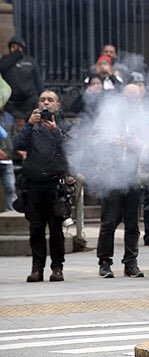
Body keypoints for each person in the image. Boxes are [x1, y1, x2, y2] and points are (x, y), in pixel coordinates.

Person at [13, 91, 72, 282]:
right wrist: (29, 124)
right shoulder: (32, 127)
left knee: (56, 230)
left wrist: (55, 130)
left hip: (55, 186)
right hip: (33, 187)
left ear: (58, 106)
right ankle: (37, 268)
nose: (46, 103)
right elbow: (17, 145)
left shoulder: (64, 126)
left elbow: (71, 149)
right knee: (36, 229)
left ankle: (57, 268)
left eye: (50, 100)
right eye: (42, 100)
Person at [96, 84, 145, 279]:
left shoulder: (143, 119)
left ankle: (130, 262)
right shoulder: (110, 117)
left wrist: (138, 144)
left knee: (132, 223)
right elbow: (95, 138)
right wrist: (109, 140)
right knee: (108, 222)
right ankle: (105, 261)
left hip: (134, 176)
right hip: (112, 175)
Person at [0, 36, 43, 117]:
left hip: (29, 100)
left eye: (19, 47)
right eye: (13, 47)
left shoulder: (30, 61)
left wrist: (41, 96)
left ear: (22, 48)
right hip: (11, 102)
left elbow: (38, 81)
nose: (16, 49)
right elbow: (1, 68)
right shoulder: (4, 60)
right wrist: (14, 57)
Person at [0, 106, 16, 211]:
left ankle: (11, 211)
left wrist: (18, 150)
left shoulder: (8, 117)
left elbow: (11, 137)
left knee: (10, 187)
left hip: (7, 159)